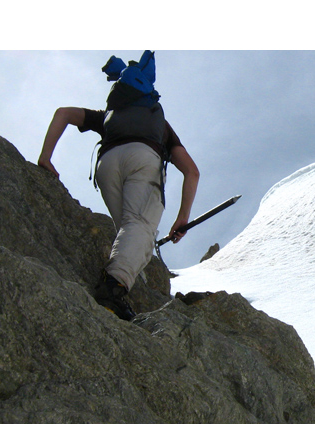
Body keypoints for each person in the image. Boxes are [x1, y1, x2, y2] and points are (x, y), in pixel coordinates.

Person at [37, 53, 200, 320]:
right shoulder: (159, 124)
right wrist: (182, 218)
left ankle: (126, 278)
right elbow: (192, 172)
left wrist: (45, 157)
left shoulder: (109, 117)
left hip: (107, 165)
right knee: (139, 225)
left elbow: (63, 114)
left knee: (127, 228)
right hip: (143, 159)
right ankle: (112, 290)